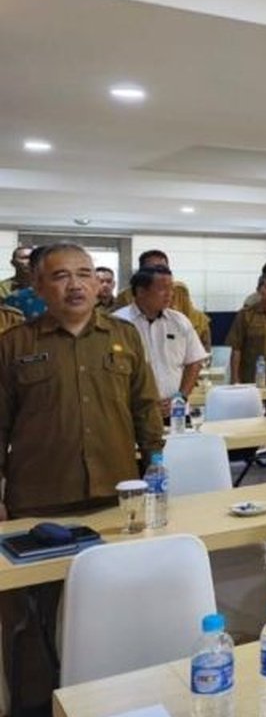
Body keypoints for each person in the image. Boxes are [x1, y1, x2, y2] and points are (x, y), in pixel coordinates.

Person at [0, 242, 163, 715]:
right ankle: (35, 706)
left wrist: (155, 464)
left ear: (98, 284)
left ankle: (114, 699)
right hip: (40, 506)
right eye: (61, 276)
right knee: (33, 619)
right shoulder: (14, 345)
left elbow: (144, 409)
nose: (76, 284)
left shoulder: (124, 337)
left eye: (85, 274)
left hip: (117, 500)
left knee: (116, 607)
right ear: (37, 286)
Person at [112, 266, 208, 412]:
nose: (170, 294)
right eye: (163, 289)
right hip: (132, 411)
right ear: (141, 291)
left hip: (175, 410)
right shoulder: (117, 323)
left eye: (171, 289)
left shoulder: (179, 321)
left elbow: (194, 361)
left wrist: (180, 397)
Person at [114, 249, 212, 349]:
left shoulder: (179, 293)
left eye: (162, 268)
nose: (169, 294)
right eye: (151, 269)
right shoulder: (125, 297)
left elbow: (191, 316)